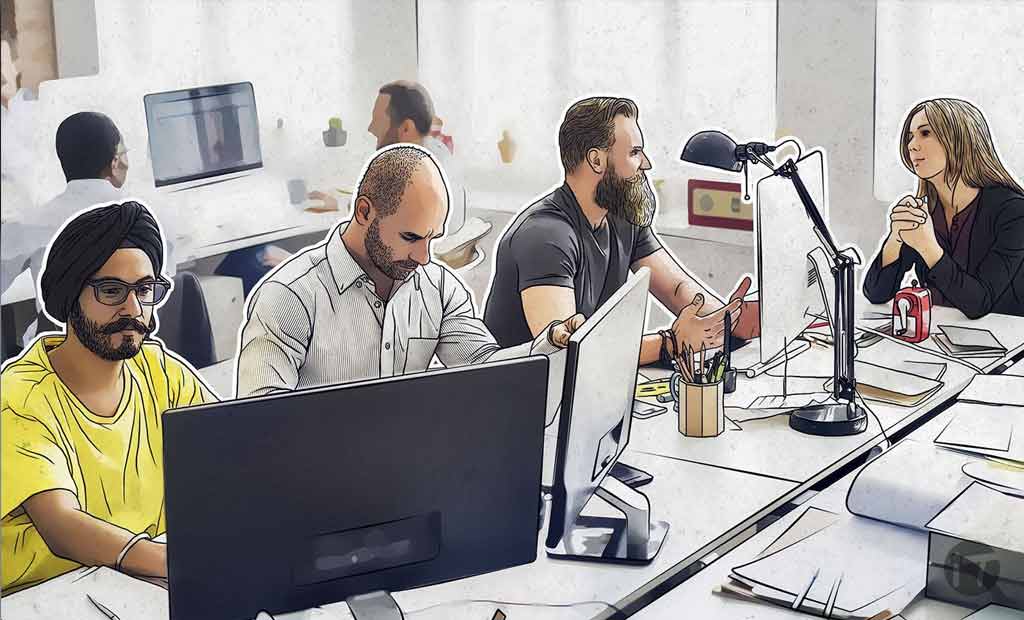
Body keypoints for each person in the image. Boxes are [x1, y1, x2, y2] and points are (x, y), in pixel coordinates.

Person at [236, 145, 583, 398]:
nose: (424, 257)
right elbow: (260, 417)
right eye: (411, 237)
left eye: (433, 238)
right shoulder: (289, 296)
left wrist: (548, 344)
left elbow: (483, 367)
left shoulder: (440, 288)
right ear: (364, 212)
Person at [1, 202, 217, 594]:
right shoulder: (19, 396)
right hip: (45, 596)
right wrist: (178, 563)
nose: (133, 309)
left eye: (145, 290)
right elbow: (61, 526)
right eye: (112, 291)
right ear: (71, 293)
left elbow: (232, 454)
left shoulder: (161, 372)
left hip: (139, 580)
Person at [483, 96, 758, 363]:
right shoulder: (545, 236)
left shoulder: (622, 216)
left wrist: (727, 320)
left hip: (583, 386)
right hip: (521, 392)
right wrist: (671, 344)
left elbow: (677, 289)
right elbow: (566, 354)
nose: (646, 163)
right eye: (634, 153)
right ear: (596, 160)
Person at [863, 98, 1024, 318]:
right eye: (910, 137)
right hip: (936, 334)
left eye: (925, 133)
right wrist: (895, 239)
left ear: (960, 140)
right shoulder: (925, 209)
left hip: (1002, 336)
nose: (912, 145)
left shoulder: (1013, 211)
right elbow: (876, 293)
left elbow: (979, 303)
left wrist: (928, 248)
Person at [310, 80, 468, 234]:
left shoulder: (409, 166)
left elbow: (373, 214)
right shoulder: (437, 151)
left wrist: (338, 204)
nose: (371, 128)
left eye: (378, 120)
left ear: (406, 128)